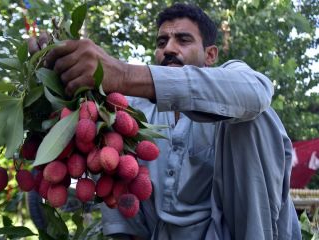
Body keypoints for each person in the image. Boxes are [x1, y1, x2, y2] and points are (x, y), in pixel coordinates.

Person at [31, 3, 301, 239]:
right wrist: (54, 73)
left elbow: (255, 92)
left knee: (254, 116)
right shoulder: (137, 110)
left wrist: (122, 73)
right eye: (161, 43)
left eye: (183, 40)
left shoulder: (235, 77)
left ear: (210, 55)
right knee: (109, 130)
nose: (169, 49)